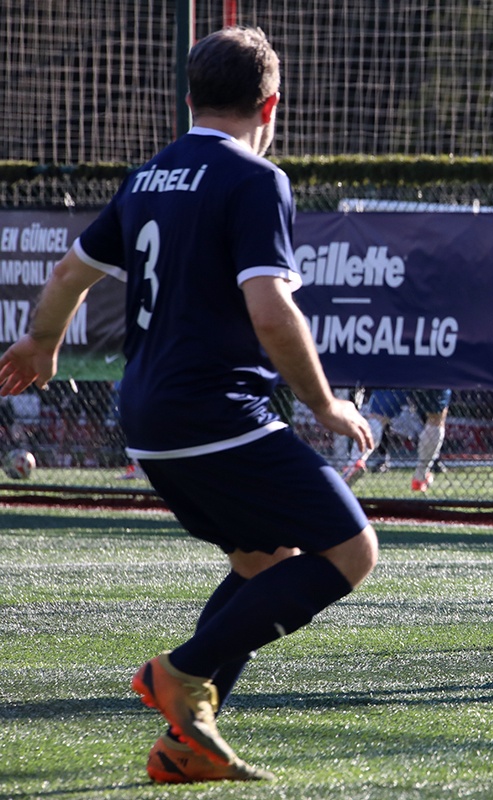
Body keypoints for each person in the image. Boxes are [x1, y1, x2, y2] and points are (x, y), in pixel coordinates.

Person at [0, 27, 378, 783]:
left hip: (147, 415)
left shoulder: (148, 177)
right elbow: (271, 311)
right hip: (215, 412)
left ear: (188, 99)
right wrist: (325, 404)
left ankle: (184, 745)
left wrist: (42, 343)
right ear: (271, 104)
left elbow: (70, 273)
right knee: (351, 551)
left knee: (263, 562)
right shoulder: (255, 179)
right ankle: (181, 671)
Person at [342, 388, 451, 492]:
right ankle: (420, 476)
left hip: (398, 375)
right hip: (429, 376)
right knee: (435, 419)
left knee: (378, 416)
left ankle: (354, 462)